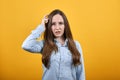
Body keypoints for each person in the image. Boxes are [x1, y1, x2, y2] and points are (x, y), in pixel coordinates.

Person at [21, 9, 85, 80]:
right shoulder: (45, 44)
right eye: (53, 24)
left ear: (65, 25)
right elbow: (26, 45)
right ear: (49, 26)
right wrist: (41, 27)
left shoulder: (76, 45)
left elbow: (80, 72)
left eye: (60, 23)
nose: (57, 28)